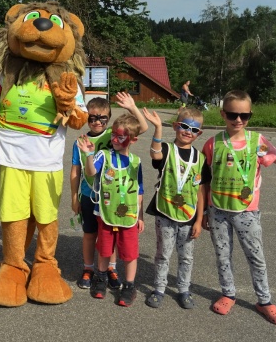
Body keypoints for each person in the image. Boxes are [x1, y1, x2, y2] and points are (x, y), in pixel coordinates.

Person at [202, 90, 276, 325]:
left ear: (250, 115)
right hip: (217, 210)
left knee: (256, 257)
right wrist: (203, 213)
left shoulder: (256, 142)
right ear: (222, 114)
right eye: (232, 114)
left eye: (244, 115)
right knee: (223, 256)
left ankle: (264, 300)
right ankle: (228, 293)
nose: (238, 119)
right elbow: (206, 179)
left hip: (247, 211)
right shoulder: (212, 144)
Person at [70, 93, 148, 290]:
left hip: (112, 198)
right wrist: (74, 197)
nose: (97, 121)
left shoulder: (112, 135)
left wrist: (132, 107)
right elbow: (75, 171)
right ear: (87, 117)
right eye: (92, 117)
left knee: (111, 233)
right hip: (89, 195)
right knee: (89, 234)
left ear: (109, 118)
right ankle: (88, 268)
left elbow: (142, 128)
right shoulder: (80, 141)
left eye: (102, 118)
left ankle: (110, 268)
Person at [142, 107, 210, 309]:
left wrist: (199, 219)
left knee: (186, 256)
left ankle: (183, 289)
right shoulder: (166, 150)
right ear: (176, 126)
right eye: (184, 126)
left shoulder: (200, 159)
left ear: (199, 133)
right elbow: (154, 155)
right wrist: (157, 128)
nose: (188, 131)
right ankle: (159, 288)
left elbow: (201, 190)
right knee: (163, 254)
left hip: (189, 217)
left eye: (194, 129)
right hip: (165, 212)